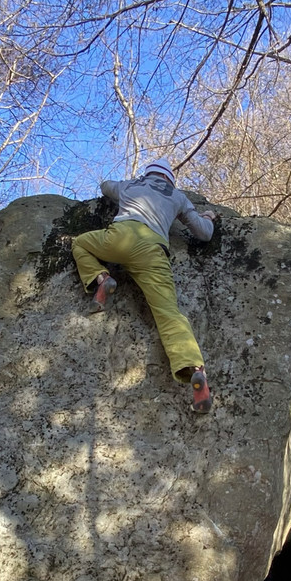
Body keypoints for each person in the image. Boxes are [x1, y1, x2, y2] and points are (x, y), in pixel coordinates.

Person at [72, 159, 219, 414]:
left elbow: (105, 186)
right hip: (152, 250)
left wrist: (122, 188)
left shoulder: (131, 185)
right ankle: (195, 368)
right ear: (170, 179)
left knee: (80, 244)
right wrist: (207, 216)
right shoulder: (178, 197)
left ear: (148, 174)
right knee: (169, 313)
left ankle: (101, 278)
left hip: (119, 237)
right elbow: (204, 233)